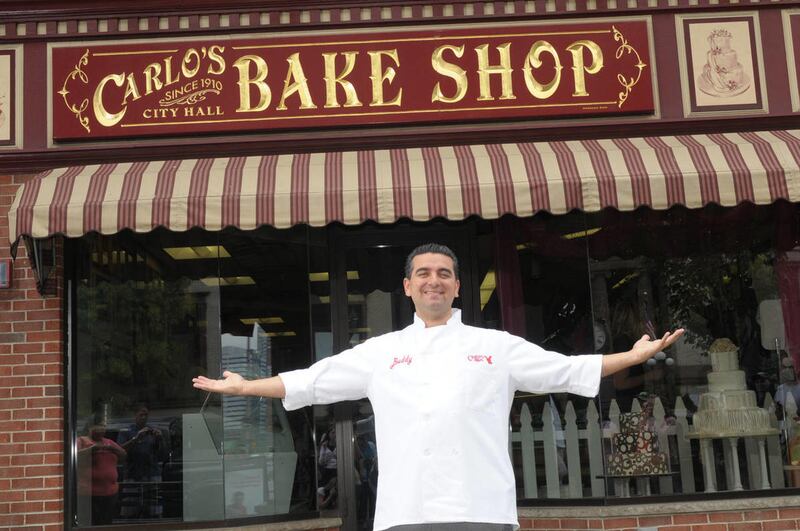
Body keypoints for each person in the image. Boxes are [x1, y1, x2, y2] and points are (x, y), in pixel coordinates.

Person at [194, 243, 684, 531]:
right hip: (406, 512)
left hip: (483, 510)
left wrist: (634, 356)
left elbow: (565, 369)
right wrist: (247, 388)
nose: (435, 281)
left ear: (457, 287)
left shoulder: (495, 345)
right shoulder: (381, 351)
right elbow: (313, 382)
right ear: (407, 286)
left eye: (444, 274)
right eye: (424, 274)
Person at [117, 403, 167, 518]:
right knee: (130, 511)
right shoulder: (126, 431)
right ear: (135, 415)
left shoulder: (152, 431)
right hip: (132, 475)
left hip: (152, 474)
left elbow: (163, 454)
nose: (144, 417)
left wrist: (160, 439)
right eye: (141, 415)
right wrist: (136, 438)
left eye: (146, 415)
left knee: (154, 511)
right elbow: (120, 450)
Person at [77, 413, 127, 525]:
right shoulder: (81, 441)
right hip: (88, 495)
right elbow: (74, 457)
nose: (101, 429)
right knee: (90, 524)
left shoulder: (109, 442)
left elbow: (123, 455)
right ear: (90, 427)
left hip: (110, 493)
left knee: (106, 524)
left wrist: (112, 449)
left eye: (103, 426)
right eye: (98, 426)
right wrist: (92, 449)